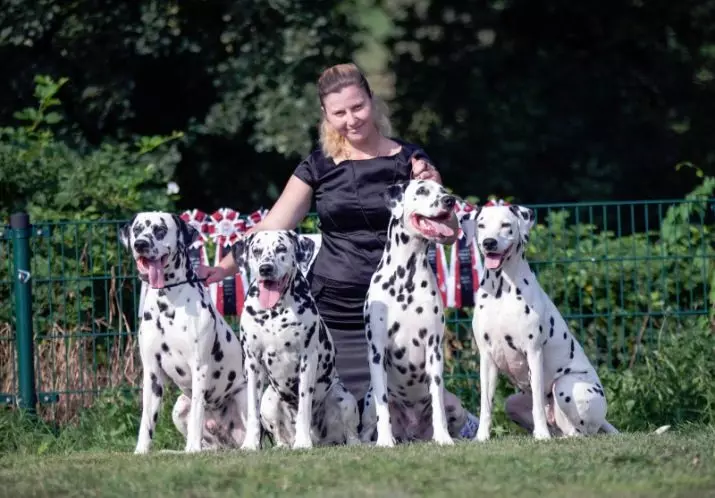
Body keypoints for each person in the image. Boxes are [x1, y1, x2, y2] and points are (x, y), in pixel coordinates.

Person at [199, 62, 479, 439]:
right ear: (325, 115)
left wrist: (433, 186)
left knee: (436, 409)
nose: (352, 119)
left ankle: (464, 425)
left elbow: (445, 226)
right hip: (335, 317)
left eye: (358, 107)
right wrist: (223, 268)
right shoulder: (317, 165)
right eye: (340, 112)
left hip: (401, 314)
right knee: (348, 414)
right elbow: (272, 226)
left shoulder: (411, 160)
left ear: (372, 101)